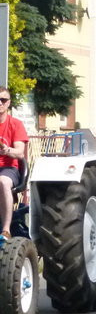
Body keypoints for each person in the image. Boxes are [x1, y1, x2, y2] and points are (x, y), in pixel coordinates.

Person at [0, 87, 29, 241]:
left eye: (3, 100)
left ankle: (5, 230)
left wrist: (7, 150)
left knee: (3, 182)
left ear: (8, 103)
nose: (0, 103)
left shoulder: (15, 124)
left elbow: (19, 152)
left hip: (8, 168)